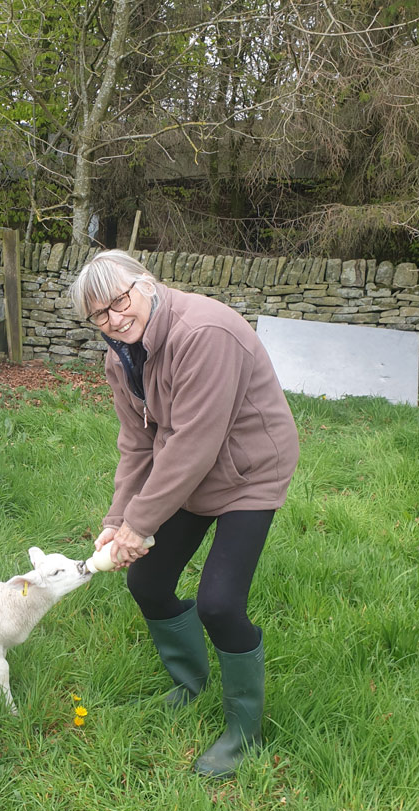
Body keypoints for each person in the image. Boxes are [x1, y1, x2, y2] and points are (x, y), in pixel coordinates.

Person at [69, 250, 300, 779]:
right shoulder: (120, 354)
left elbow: (194, 443)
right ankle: (189, 682)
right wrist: (116, 519)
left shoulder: (204, 333)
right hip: (188, 473)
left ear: (146, 285)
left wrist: (140, 524)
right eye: (99, 314)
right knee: (148, 581)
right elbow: (138, 444)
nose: (113, 319)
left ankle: (244, 731)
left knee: (220, 603)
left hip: (248, 470)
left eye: (120, 301)